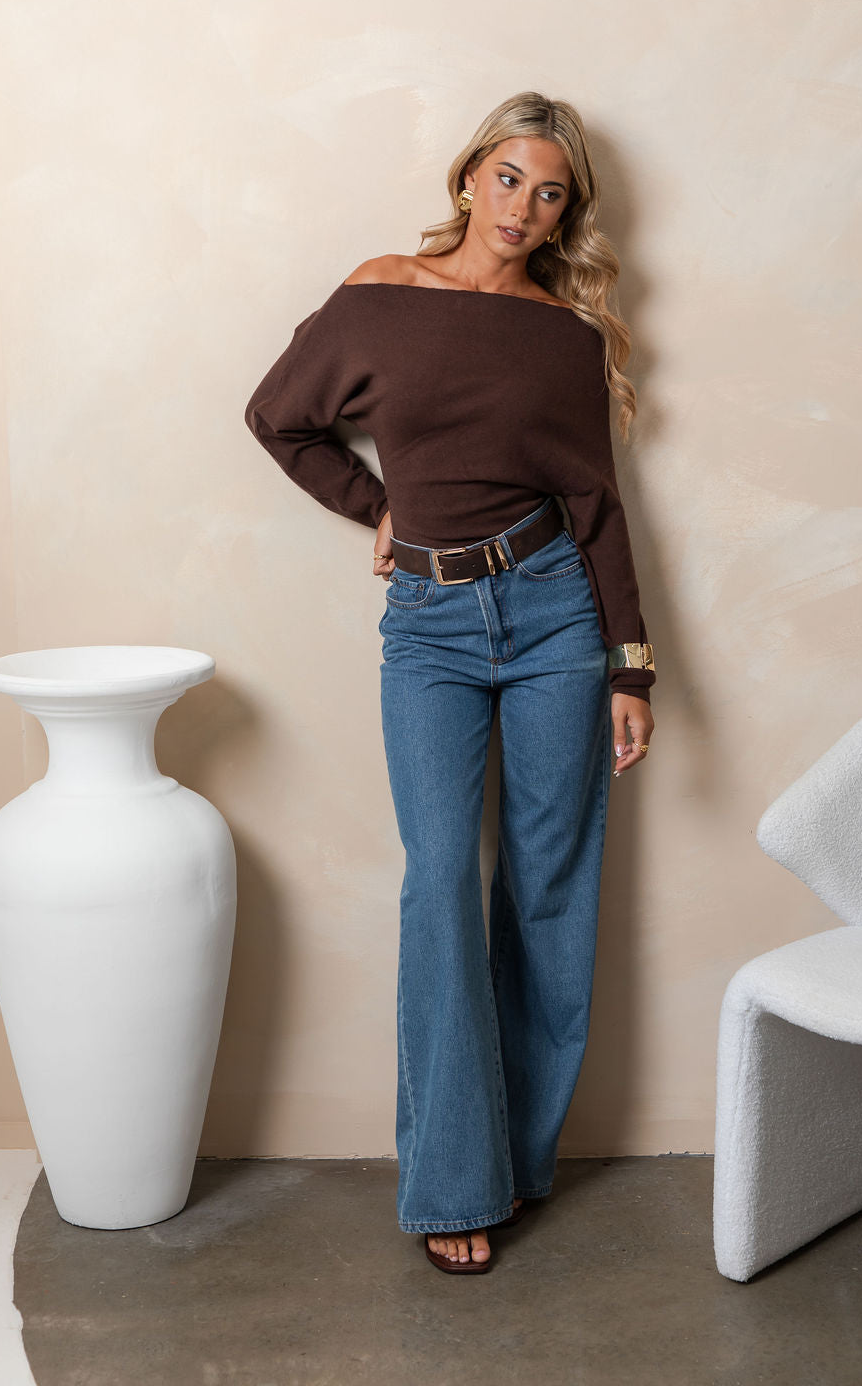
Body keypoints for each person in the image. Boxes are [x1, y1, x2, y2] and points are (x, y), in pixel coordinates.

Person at [244, 90, 655, 1275]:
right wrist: (374, 506)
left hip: (554, 615)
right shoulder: (379, 293)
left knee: (548, 887)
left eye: (551, 193)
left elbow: (595, 505)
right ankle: (451, 1182)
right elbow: (278, 417)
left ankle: (515, 1161)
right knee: (438, 885)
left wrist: (630, 665)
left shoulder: (564, 336)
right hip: (427, 625)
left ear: (564, 213)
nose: (524, 207)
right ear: (470, 176)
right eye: (509, 178)